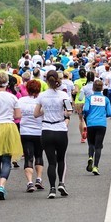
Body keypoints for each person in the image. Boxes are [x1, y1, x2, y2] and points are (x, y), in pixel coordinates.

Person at [35, 70, 72, 199]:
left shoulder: (42, 95)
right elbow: (69, 112)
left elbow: (36, 114)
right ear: (58, 80)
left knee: (51, 162)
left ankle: (52, 189)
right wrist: (63, 113)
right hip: (60, 129)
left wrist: (44, 111)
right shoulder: (63, 95)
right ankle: (61, 183)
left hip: (46, 129)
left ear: (47, 80)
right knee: (61, 159)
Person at [17, 80, 45, 192]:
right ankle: (39, 178)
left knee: (28, 157)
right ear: (39, 89)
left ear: (27, 89)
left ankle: (29, 182)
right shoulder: (41, 101)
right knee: (39, 155)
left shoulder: (21, 100)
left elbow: (18, 115)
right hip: (39, 131)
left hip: (25, 132)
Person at [83, 80, 111, 175]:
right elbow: (109, 113)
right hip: (101, 124)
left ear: (93, 88)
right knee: (98, 146)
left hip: (91, 123)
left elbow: (86, 109)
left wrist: (87, 115)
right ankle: (96, 166)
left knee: (91, 144)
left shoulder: (89, 98)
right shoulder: (106, 99)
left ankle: (90, 157)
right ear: (102, 89)